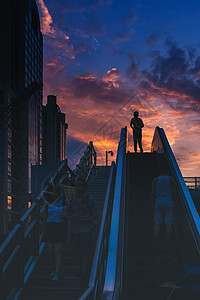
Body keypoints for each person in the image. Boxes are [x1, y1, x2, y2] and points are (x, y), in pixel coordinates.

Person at [68, 178, 97, 282]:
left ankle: (84, 272)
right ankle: (83, 268)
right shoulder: (71, 201)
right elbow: (66, 214)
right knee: (75, 252)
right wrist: (71, 217)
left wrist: (85, 219)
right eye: (77, 185)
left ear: (85, 188)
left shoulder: (90, 200)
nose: (79, 187)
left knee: (84, 252)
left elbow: (95, 215)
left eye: (81, 185)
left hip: (86, 230)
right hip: (74, 230)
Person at [42, 197, 68, 281]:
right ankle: (53, 269)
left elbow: (66, 214)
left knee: (57, 251)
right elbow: (43, 216)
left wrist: (64, 215)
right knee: (50, 252)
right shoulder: (47, 202)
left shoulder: (63, 202)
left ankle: (57, 272)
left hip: (59, 226)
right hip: (50, 226)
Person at [151, 167, 177, 244]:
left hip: (158, 200)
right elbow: (174, 191)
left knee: (157, 222)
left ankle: (156, 240)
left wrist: (152, 204)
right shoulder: (171, 179)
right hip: (168, 199)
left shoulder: (155, 180)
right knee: (169, 222)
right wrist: (175, 201)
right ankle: (168, 241)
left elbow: (152, 193)